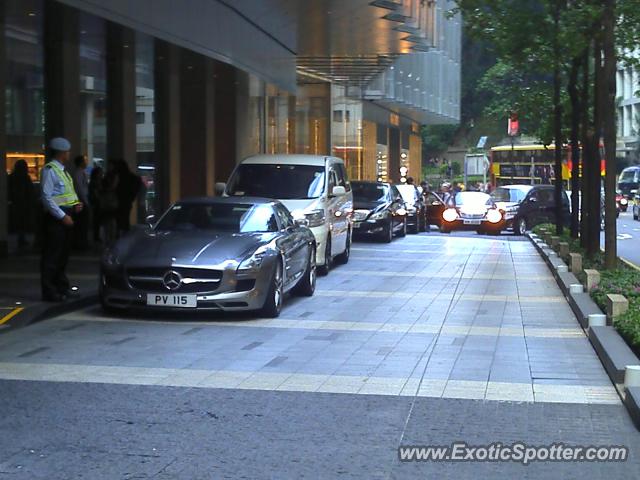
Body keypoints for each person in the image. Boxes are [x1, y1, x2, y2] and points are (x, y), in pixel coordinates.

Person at [40, 137, 83, 302]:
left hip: (67, 215)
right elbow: (46, 197)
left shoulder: (63, 171)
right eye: (67, 151)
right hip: (56, 219)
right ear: (62, 152)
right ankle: (50, 291)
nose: (69, 154)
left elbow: (64, 196)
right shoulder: (50, 170)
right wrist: (63, 216)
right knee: (52, 255)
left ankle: (61, 287)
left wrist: (75, 205)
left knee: (62, 256)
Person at [8, 159, 34, 248]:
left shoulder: (11, 177)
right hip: (24, 203)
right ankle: (21, 239)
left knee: (18, 221)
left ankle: (20, 238)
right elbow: (30, 191)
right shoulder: (26, 177)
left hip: (15, 203)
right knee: (23, 222)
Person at [114, 159, 142, 237]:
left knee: (120, 220)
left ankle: (119, 235)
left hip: (120, 200)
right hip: (126, 200)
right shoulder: (130, 177)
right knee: (125, 219)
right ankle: (124, 235)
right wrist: (132, 196)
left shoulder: (120, 177)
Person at [72, 155, 90, 250]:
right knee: (81, 223)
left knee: (81, 223)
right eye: (85, 161)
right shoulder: (79, 173)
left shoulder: (80, 172)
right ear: (80, 162)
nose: (86, 163)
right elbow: (80, 188)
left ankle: (80, 243)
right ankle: (80, 243)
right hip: (80, 201)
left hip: (80, 200)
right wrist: (85, 201)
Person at [88, 166, 104, 244]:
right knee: (97, 220)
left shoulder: (94, 181)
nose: (101, 174)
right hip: (97, 203)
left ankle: (96, 236)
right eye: (100, 173)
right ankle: (96, 236)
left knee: (96, 220)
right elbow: (96, 193)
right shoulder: (96, 182)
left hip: (95, 202)